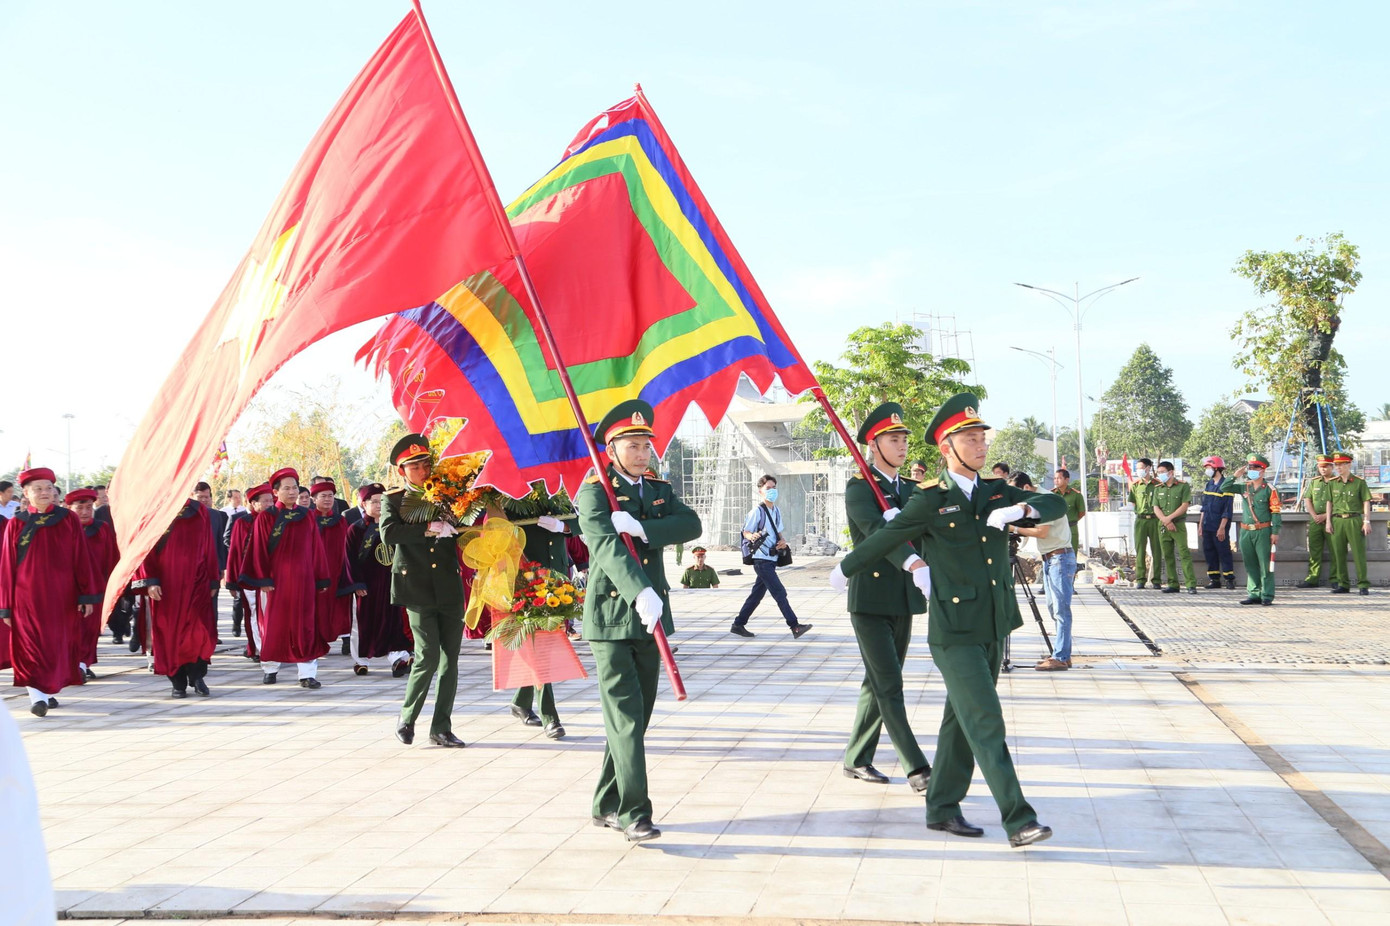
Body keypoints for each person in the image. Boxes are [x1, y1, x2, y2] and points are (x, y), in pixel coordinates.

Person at [830, 394, 1063, 848]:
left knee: (960, 723)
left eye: (982, 437)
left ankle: (940, 807)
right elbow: (887, 535)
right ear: (946, 448)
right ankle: (1018, 819)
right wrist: (846, 568)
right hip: (954, 631)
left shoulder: (997, 491)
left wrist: (1022, 510)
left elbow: (1057, 504)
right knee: (986, 720)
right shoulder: (931, 498)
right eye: (970, 439)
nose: (981, 445)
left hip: (995, 624)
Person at [579, 400, 702, 842]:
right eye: (632, 445)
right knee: (627, 719)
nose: (641, 453)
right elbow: (606, 547)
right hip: (614, 617)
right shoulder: (595, 491)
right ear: (610, 449)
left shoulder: (657, 488)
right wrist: (639, 591)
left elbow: (691, 524)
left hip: (651, 618)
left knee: (637, 717)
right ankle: (634, 813)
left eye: (646, 445)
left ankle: (604, 803)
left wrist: (645, 529)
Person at [840, 403, 932, 793]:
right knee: (889, 683)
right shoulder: (860, 488)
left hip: (903, 598)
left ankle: (856, 758)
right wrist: (909, 556)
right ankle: (917, 767)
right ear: (874, 446)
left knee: (876, 682)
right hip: (870, 600)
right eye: (893, 440)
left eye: (904, 439)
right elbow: (876, 532)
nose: (902, 446)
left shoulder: (911, 489)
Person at [381, 434, 468, 748]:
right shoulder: (394, 500)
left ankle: (441, 727)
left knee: (450, 659)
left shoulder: (448, 494)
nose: (422, 471)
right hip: (416, 587)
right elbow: (388, 533)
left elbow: (467, 524)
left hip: (448, 586)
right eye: (415, 466)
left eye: (426, 464)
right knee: (427, 655)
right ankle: (407, 717)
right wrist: (427, 529)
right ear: (402, 471)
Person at [0, 467, 101, 717]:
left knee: (55, 645)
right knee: (30, 646)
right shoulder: (17, 523)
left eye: (48, 488)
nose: (44, 492)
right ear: (26, 493)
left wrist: (86, 595)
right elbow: (7, 566)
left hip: (62, 597)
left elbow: (81, 557)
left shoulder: (68, 519)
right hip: (26, 599)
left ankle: (48, 689)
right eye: (38, 489)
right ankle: (37, 697)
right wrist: (5, 606)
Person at [239, 467, 331, 687]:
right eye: (287, 488)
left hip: (304, 581)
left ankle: (307, 674)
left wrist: (321, 577)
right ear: (275, 492)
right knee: (274, 625)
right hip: (276, 582)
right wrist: (263, 579)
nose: (292, 492)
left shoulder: (307, 516)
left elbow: (316, 548)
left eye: (295, 488)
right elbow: (258, 549)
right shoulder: (266, 517)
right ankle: (270, 667)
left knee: (306, 626)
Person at [132, 494, 220, 698]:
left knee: (199, 631)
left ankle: (197, 676)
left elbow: (208, 546)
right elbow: (143, 549)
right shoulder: (152, 510)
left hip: (197, 582)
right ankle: (177, 681)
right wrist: (150, 580)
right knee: (170, 633)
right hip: (166, 586)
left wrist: (213, 579)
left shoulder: (198, 510)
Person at [506, 503, 574, 739]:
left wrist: (564, 527)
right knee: (540, 649)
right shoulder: (515, 493)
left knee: (544, 649)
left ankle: (521, 701)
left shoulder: (560, 490)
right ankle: (550, 717)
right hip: (529, 576)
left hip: (558, 574)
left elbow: (582, 516)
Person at [1007, 472, 1076, 671]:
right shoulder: (1035, 500)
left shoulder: (1046, 500)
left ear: (1026, 488)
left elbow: (1042, 532)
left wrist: (1013, 529)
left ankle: (1060, 657)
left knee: (1061, 610)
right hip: (1050, 558)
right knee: (1054, 609)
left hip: (1059, 558)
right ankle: (1062, 654)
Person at [731, 475, 811, 639]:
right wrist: (752, 536)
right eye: (768, 488)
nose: (772, 491)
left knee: (757, 595)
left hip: (771, 559)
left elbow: (778, 531)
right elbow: (745, 531)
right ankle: (795, 626)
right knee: (779, 592)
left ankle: (738, 624)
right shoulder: (757, 511)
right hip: (761, 559)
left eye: (774, 488)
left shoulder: (776, 511)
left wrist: (782, 541)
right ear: (760, 491)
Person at [344, 484, 413, 676]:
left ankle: (398, 658)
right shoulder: (356, 529)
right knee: (363, 622)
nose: (378, 505)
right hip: (367, 586)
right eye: (374, 501)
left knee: (393, 621)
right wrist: (357, 583)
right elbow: (349, 559)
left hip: (391, 583)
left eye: (382, 501)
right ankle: (360, 660)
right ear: (363, 504)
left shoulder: (393, 527)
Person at [67, 488, 119, 680]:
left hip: (96, 587)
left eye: (89, 507)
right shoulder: (63, 529)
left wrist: (113, 584)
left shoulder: (101, 528)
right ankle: (73, 664)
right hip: (68, 589)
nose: (85, 512)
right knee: (72, 629)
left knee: (90, 628)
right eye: (80, 508)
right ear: (69, 508)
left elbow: (111, 557)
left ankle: (83, 664)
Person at [312, 481, 361, 654]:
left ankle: (346, 639)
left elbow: (349, 546)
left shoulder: (341, 521)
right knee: (318, 607)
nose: (327, 499)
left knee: (342, 607)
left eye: (330, 496)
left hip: (339, 570)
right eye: (323, 496)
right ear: (314, 499)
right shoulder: (309, 520)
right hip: (317, 572)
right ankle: (317, 640)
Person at [1225, 455, 1281, 606]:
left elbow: (1276, 512)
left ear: (1263, 470)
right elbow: (1224, 488)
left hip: (1263, 531)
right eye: (1250, 467)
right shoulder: (1244, 486)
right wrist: (1234, 476)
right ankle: (1254, 593)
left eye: (1255, 467)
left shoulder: (1269, 489)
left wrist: (1275, 531)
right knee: (1250, 564)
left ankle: (1267, 595)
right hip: (1245, 531)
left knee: (1265, 565)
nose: (1252, 470)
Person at [225, 484, 272, 658]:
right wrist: (232, 581)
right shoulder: (242, 523)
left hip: (273, 576)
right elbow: (235, 552)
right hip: (250, 576)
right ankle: (259, 649)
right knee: (254, 611)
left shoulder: (277, 520)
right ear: (253, 503)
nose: (270, 504)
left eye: (271, 500)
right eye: (265, 501)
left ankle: (274, 646)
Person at [1325, 451, 1372, 595]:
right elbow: (1329, 502)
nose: (1338, 468)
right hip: (1337, 520)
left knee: (1358, 553)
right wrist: (1328, 521)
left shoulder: (1359, 482)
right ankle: (1343, 584)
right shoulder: (1332, 483)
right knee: (1338, 554)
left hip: (1354, 520)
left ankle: (1363, 584)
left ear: (1349, 464)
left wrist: (1366, 521)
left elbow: (1366, 501)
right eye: (1336, 465)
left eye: (1341, 465)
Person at [1151, 461, 1197, 594]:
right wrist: (1165, 521)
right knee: (1167, 555)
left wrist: (1169, 518)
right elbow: (1156, 507)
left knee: (1184, 553)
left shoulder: (1183, 486)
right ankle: (1173, 584)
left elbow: (1184, 505)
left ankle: (1190, 584)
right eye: (1158, 472)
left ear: (1171, 472)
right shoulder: (1158, 488)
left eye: (1162, 472)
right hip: (1163, 525)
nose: (1160, 475)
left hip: (1178, 524)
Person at [194, 482, 228, 642]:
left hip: (212, 565)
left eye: (207, 497)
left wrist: (222, 567)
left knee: (212, 600)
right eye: (200, 497)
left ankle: (211, 634)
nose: (204, 500)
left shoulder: (216, 516)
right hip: (192, 565)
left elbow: (220, 542)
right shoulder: (187, 514)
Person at [1295, 455, 1335, 589]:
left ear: (1331, 467)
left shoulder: (1338, 482)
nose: (1323, 469)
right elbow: (1308, 499)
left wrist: (1325, 516)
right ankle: (1312, 578)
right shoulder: (1314, 482)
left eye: (1326, 466)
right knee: (1314, 551)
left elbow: (1340, 503)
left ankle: (1336, 579)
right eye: (1320, 467)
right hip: (1315, 521)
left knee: (1335, 551)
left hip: (1333, 520)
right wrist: (1314, 516)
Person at [1197, 455, 1236, 589]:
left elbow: (1227, 509)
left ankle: (1229, 579)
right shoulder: (1209, 484)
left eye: (1209, 467)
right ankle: (1214, 580)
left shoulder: (1226, 486)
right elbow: (1204, 507)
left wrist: (1222, 527)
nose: (1207, 470)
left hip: (1219, 525)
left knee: (1223, 552)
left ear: (1217, 469)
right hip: (1207, 524)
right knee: (1209, 552)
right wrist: (1201, 525)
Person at [1128, 459, 1164, 589]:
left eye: (1141, 468)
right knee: (1140, 550)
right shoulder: (1136, 485)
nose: (1139, 471)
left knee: (1157, 550)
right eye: (1137, 468)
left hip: (1155, 519)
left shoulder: (1158, 484)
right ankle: (1141, 579)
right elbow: (1133, 502)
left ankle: (1156, 580)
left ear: (1148, 468)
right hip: (1141, 520)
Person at [1052, 468, 1086, 560]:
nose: (1056, 480)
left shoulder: (1076, 495)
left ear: (1067, 480)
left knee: (1071, 556)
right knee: (1056, 557)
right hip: (1056, 530)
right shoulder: (1051, 494)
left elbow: (1082, 512)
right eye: (1055, 478)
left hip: (1071, 528)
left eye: (1059, 478)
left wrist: (1071, 520)